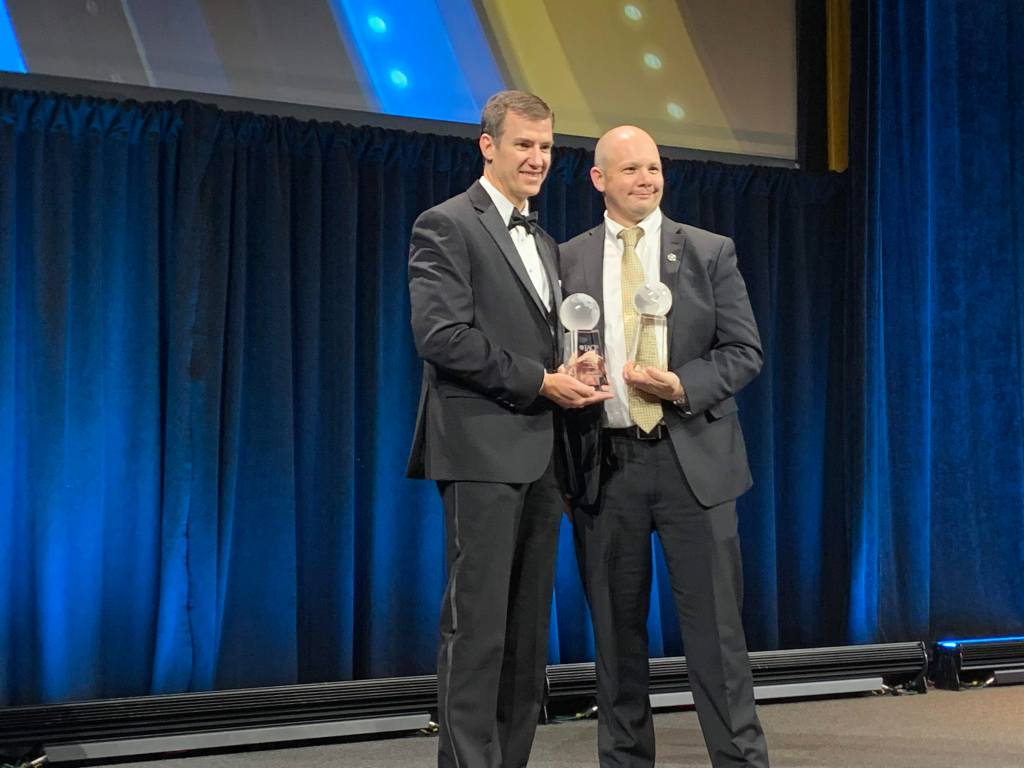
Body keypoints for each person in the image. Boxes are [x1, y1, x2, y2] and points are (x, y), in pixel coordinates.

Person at [407, 90, 612, 768]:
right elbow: (441, 336)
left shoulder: (546, 242)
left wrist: (571, 369)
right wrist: (538, 380)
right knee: (478, 629)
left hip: (543, 455)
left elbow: (539, 341)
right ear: (488, 145)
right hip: (481, 450)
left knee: (527, 636)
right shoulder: (446, 224)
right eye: (524, 144)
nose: (537, 158)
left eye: (546, 147)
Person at [561, 125, 769, 767]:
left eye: (653, 167)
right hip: (608, 465)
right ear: (599, 179)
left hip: (693, 464)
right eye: (629, 169)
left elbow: (744, 351)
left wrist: (682, 385)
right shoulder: (565, 259)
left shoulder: (708, 251)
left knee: (717, 639)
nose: (646, 179)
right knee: (616, 643)